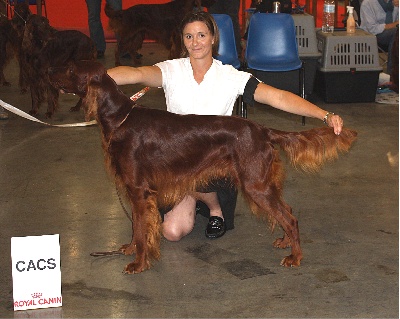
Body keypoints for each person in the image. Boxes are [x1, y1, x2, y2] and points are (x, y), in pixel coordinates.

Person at [107, 11, 344, 243]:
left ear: (213, 38)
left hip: (219, 163)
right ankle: (194, 202)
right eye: (189, 36)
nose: (195, 42)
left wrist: (324, 115)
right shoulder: (171, 70)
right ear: (183, 41)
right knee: (172, 231)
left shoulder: (230, 76)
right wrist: (94, 77)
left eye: (201, 35)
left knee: (193, 178)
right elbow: (135, 73)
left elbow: (278, 97)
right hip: (178, 164)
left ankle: (215, 209)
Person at [360, 0, 399, 75]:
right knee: (396, 33)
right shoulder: (368, 3)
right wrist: (395, 24)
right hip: (372, 37)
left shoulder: (396, 2)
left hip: (393, 36)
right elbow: (371, 29)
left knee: (396, 34)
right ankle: (392, 75)